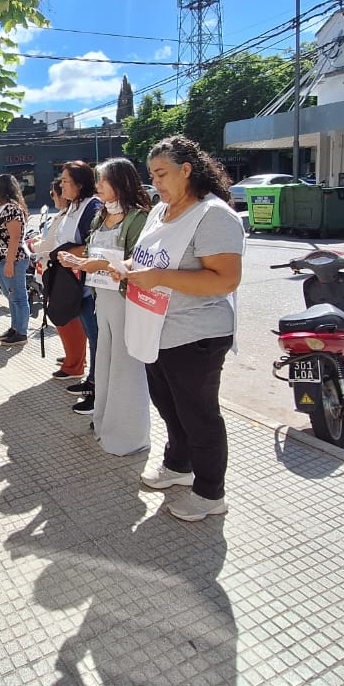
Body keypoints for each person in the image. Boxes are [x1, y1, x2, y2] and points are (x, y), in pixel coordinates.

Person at [114, 135, 244, 522]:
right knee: (169, 406)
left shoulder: (213, 215)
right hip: (157, 330)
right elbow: (147, 260)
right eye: (152, 175)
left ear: (187, 170)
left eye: (161, 174)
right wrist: (121, 268)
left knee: (199, 415)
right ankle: (178, 465)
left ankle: (209, 493)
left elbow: (225, 280)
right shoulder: (161, 210)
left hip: (196, 335)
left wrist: (159, 278)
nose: (155, 183)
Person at [57, 158, 152, 453]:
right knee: (106, 363)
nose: (97, 186)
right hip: (103, 300)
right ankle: (106, 421)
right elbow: (92, 251)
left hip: (126, 302)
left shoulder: (139, 218)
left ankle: (128, 433)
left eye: (103, 180)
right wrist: (78, 260)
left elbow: (139, 262)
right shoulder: (101, 216)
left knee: (126, 367)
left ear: (120, 182)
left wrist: (92, 263)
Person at [49, 161, 103, 383]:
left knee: (96, 337)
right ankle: (92, 379)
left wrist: (66, 253)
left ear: (80, 184)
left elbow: (94, 246)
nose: (61, 185)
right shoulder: (73, 206)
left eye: (65, 181)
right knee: (89, 333)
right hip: (72, 282)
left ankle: (95, 384)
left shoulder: (93, 207)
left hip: (89, 285)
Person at [0, 173, 30, 345]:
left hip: (13, 260)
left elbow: (15, 237)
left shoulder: (12, 209)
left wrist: (10, 262)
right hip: (0, 259)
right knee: (11, 296)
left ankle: (21, 333)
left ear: (1, 188)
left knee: (18, 297)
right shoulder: (1, 208)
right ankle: (14, 328)